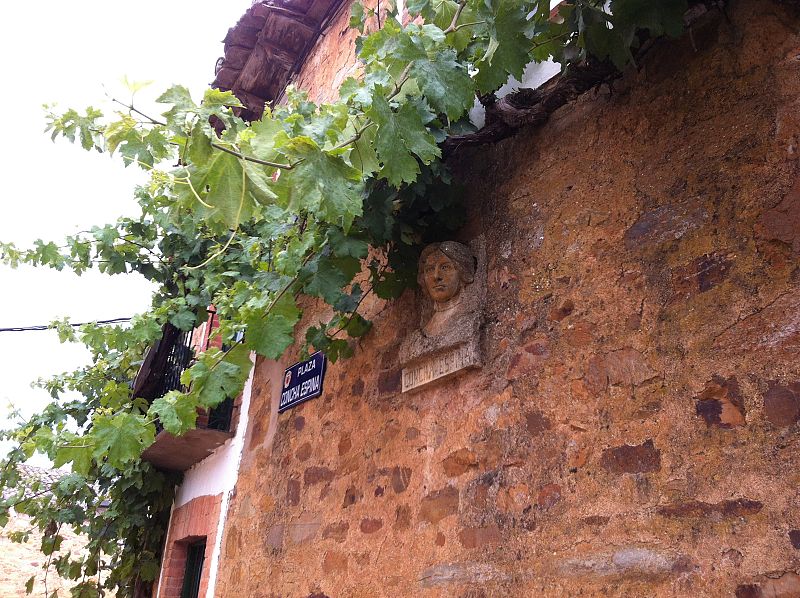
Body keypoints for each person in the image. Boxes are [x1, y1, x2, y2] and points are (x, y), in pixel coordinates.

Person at [418, 241, 475, 337]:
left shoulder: (467, 318)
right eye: (430, 269)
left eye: (445, 267)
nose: (436, 276)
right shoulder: (425, 330)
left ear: (462, 272)